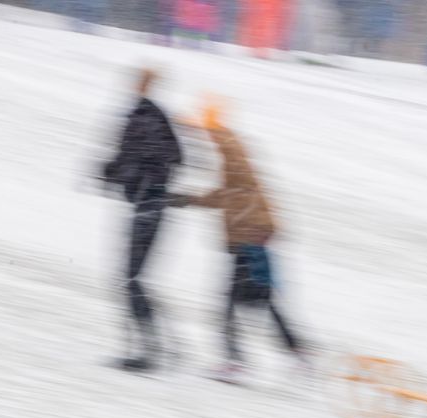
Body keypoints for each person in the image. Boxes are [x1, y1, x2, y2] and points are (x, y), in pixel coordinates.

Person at [170, 102, 307, 382]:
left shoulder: (230, 148)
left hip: (249, 237)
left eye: (201, 130)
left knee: (233, 301)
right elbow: (228, 194)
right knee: (260, 299)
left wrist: (206, 132)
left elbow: (239, 189)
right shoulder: (231, 154)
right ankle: (297, 353)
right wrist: (187, 200)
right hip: (250, 236)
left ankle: (236, 362)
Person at [101, 67, 184, 372]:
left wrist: (116, 173)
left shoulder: (141, 117)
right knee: (134, 279)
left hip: (148, 206)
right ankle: (165, 346)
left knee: (131, 280)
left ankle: (150, 351)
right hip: (152, 205)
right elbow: (176, 156)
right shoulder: (156, 118)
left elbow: (130, 158)